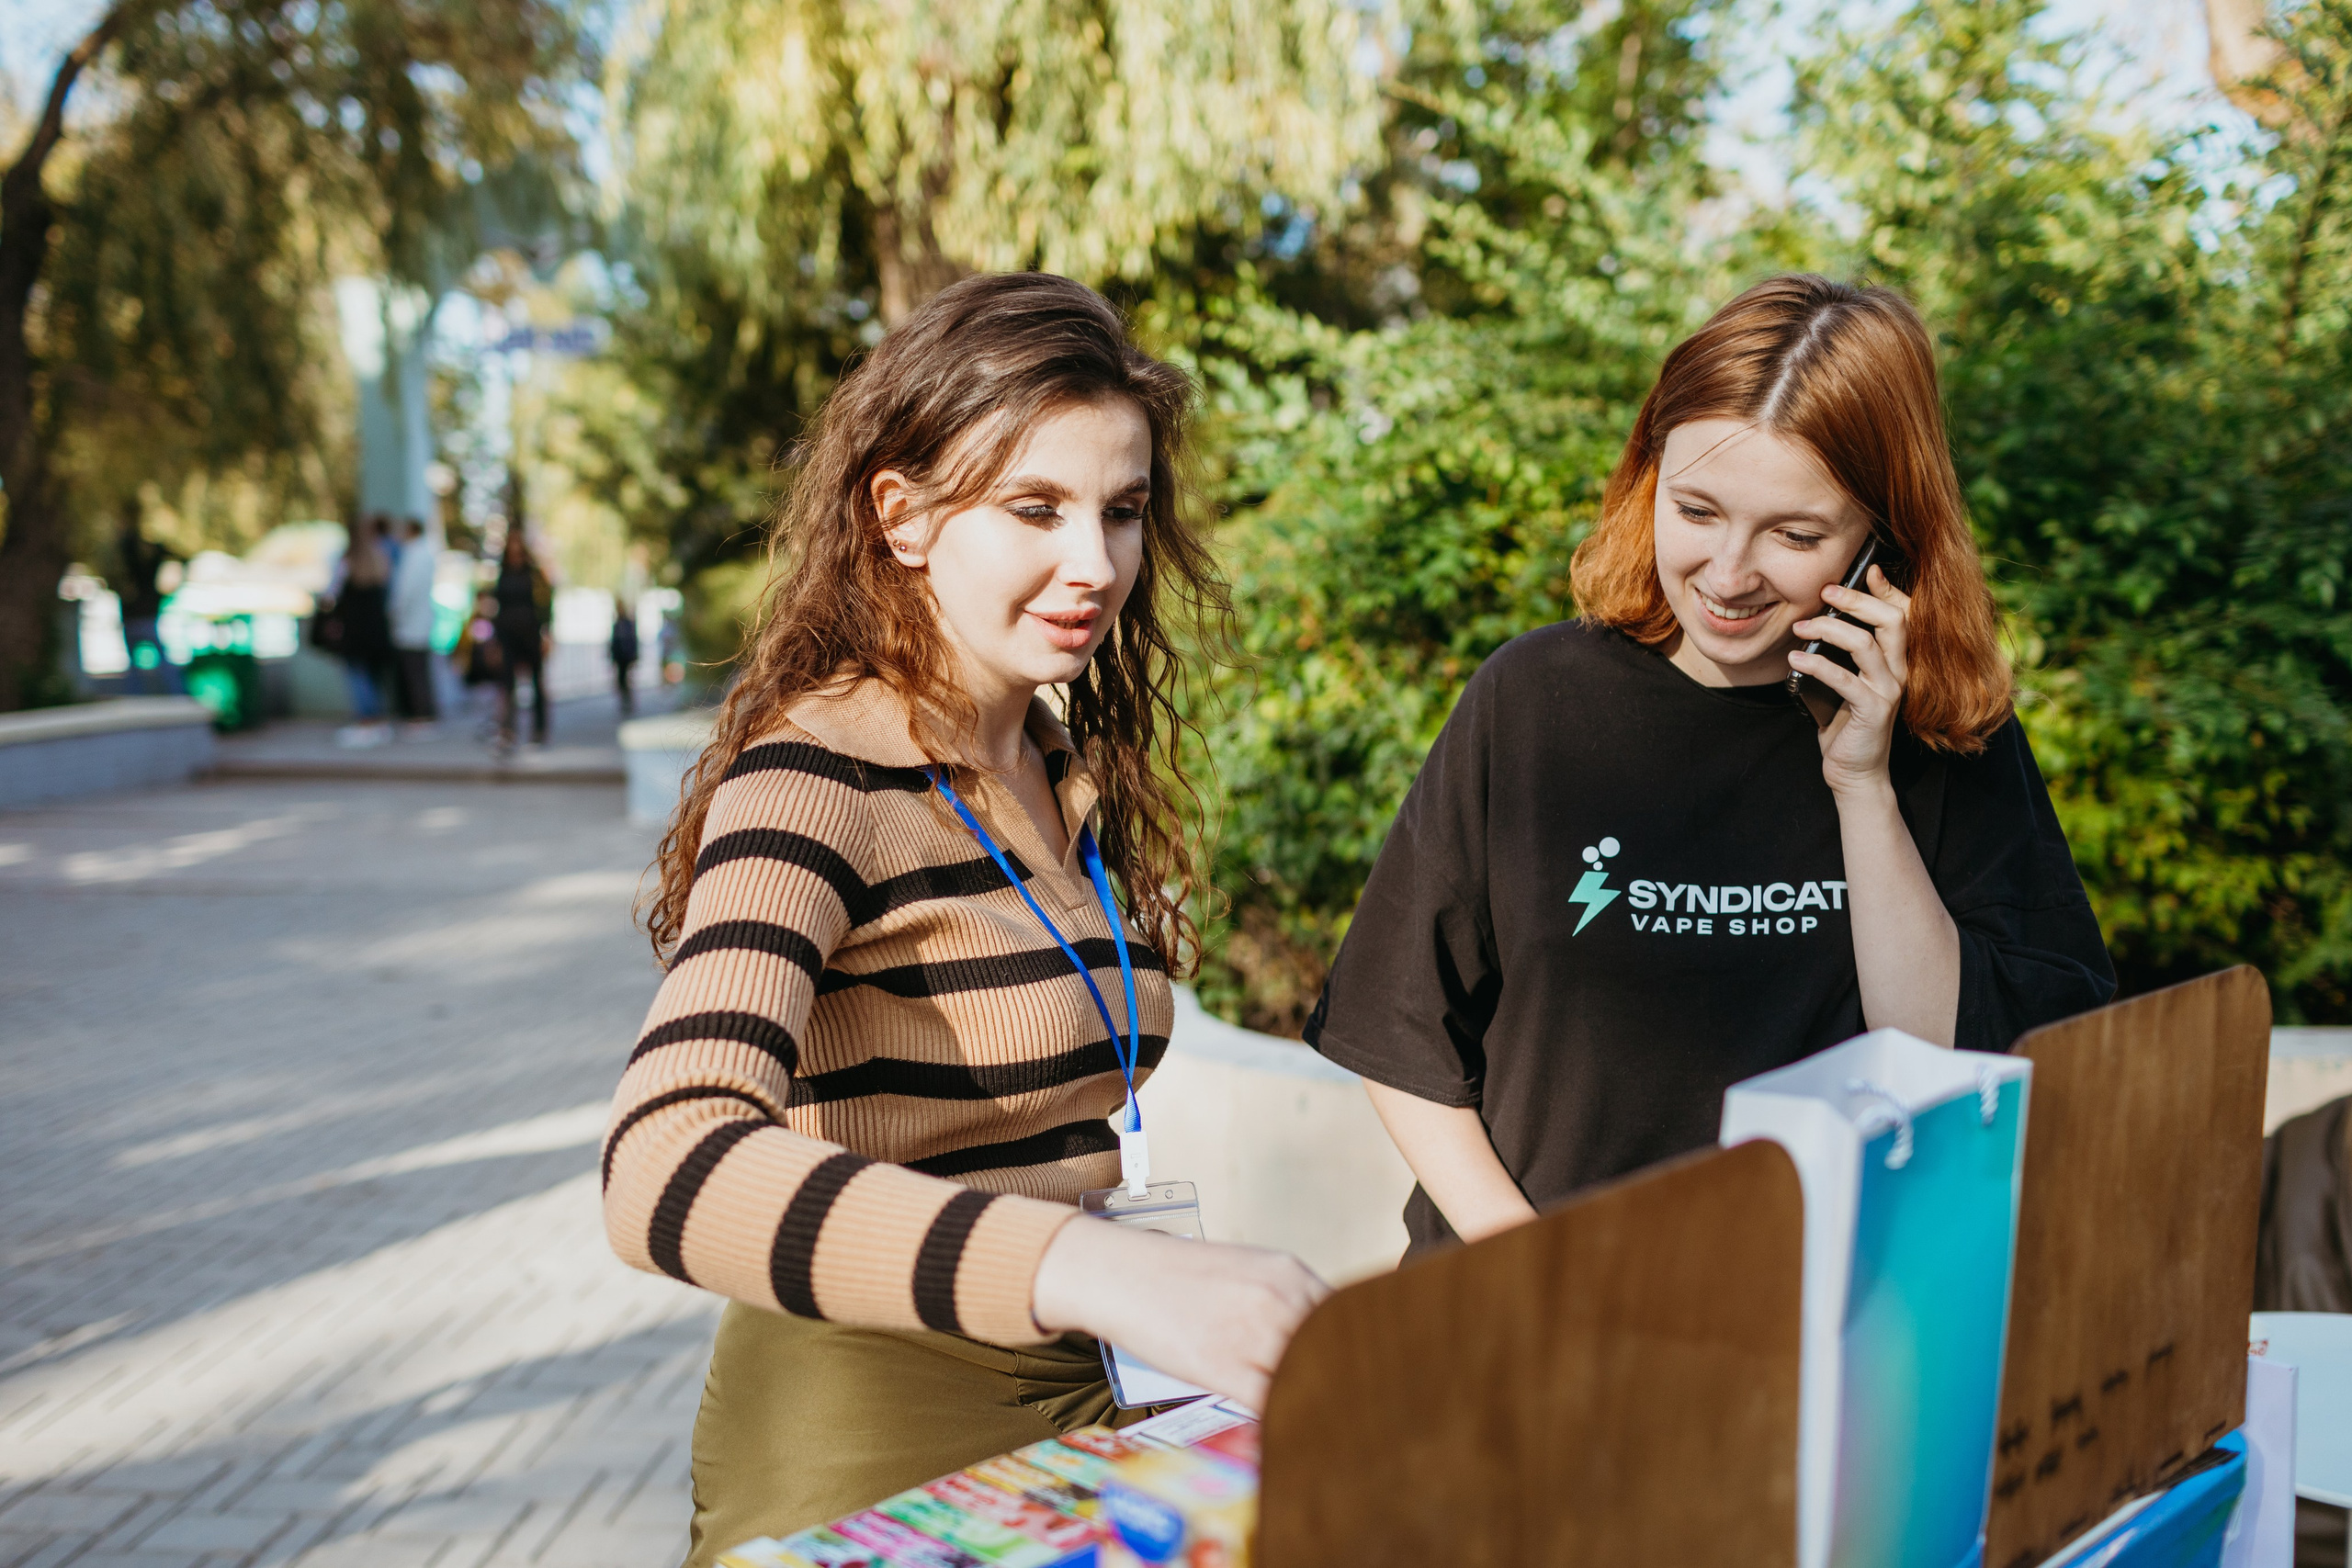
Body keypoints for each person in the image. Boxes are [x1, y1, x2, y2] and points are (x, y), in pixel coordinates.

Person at [601, 273, 1325, 1563]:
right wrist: (1097, 1266)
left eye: (1123, 510)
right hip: (865, 1423)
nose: (1092, 564)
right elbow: (663, 1163)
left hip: (1090, 1393)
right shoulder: (817, 773)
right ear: (906, 514)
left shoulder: (1063, 760)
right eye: (1035, 508)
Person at [1306, 274, 2118, 1258]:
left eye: (1795, 535)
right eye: (1696, 511)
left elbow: (1962, 1067)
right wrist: (1528, 1274)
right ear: (1648, 479)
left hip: (1821, 1335)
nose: (1728, 576)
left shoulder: (1948, 740)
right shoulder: (1533, 701)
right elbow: (1401, 1034)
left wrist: (1862, 784)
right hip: (1521, 1313)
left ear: (1883, 543)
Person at [333, 517, 398, 747]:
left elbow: (332, 594)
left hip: (355, 630)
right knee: (374, 676)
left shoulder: (346, 562)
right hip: (377, 630)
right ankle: (377, 721)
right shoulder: (381, 559)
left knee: (358, 675)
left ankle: (366, 721)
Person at [490, 528, 550, 749]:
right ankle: (507, 729)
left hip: (530, 633)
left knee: (536, 681)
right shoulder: (503, 574)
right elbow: (498, 606)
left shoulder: (534, 574)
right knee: (507, 683)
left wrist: (547, 633)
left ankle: (539, 729)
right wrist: (495, 639)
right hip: (508, 634)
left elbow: (545, 605)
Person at [389, 517, 440, 732]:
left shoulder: (413, 555)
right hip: (419, 623)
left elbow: (405, 591)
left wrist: (395, 612)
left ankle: (421, 715)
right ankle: (424, 712)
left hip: (411, 625)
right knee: (420, 671)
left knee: (414, 673)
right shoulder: (424, 554)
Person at [607, 594, 639, 716]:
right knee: (621, 679)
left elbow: (632, 639)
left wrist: (634, 654)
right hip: (619, 656)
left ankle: (628, 701)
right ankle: (625, 702)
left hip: (627, 655)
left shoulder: (628, 623)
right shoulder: (617, 624)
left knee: (626, 678)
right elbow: (614, 641)